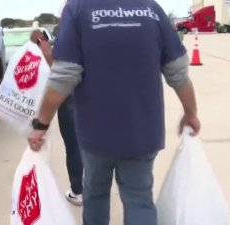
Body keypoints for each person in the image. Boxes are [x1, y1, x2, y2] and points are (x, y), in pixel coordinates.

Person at [27, 0, 201, 224]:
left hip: (96, 133)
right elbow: (177, 71)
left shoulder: (78, 9)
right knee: (139, 198)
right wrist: (190, 112)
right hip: (143, 131)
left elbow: (64, 75)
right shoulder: (151, 10)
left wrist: (41, 124)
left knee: (95, 193)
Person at [30, 30, 84, 206]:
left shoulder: (71, 27)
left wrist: (41, 41)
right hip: (96, 94)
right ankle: (96, 188)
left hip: (71, 96)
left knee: (74, 146)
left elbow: (55, 64)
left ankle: (78, 191)